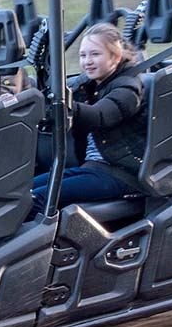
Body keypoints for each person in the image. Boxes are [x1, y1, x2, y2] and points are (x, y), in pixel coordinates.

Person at [30, 23, 146, 214]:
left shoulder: (129, 88)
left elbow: (100, 116)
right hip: (92, 168)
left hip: (119, 174)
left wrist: (63, 106)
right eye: (83, 56)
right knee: (24, 191)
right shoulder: (89, 85)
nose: (87, 61)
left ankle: (31, 242)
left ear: (115, 57)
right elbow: (54, 98)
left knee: (40, 198)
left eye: (95, 54)